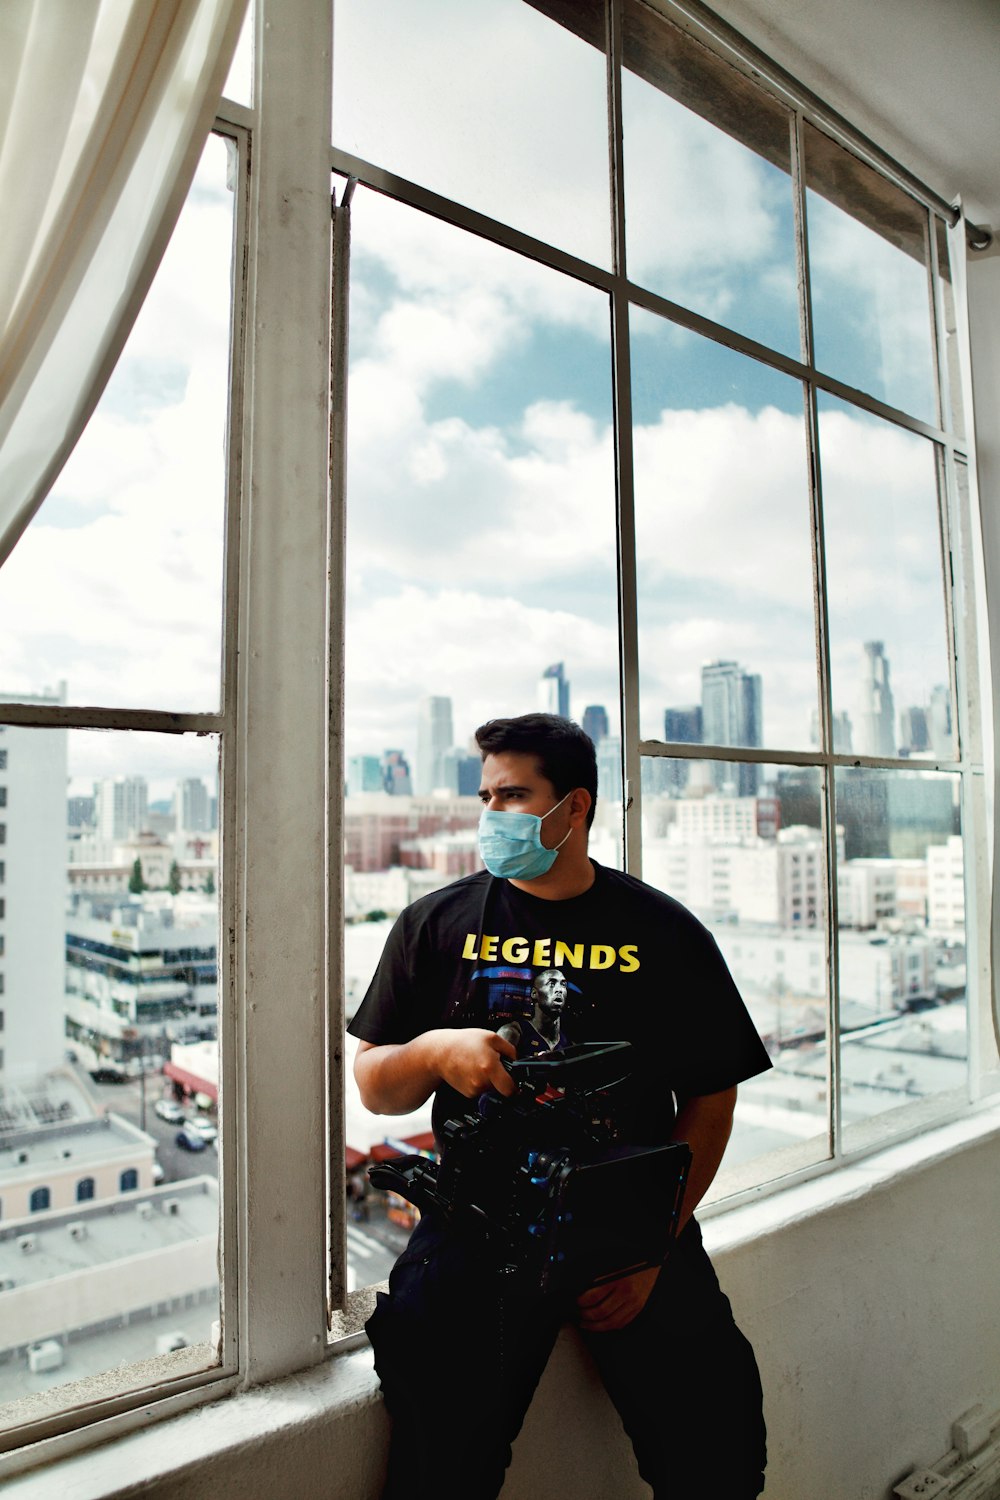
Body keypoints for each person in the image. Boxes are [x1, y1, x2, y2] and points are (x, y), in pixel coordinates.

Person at [350, 713, 770, 1498]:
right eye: (485, 796)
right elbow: (376, 1086)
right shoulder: (435, 924)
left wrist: (654, 1247)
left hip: (627, 1225)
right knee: (440, 1467)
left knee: (717, 1451)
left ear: (573, 808)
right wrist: (438, 1051)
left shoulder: (662, 933)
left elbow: (712, 1099)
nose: (492, 816)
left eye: (514, 796)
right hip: (476, 1227)